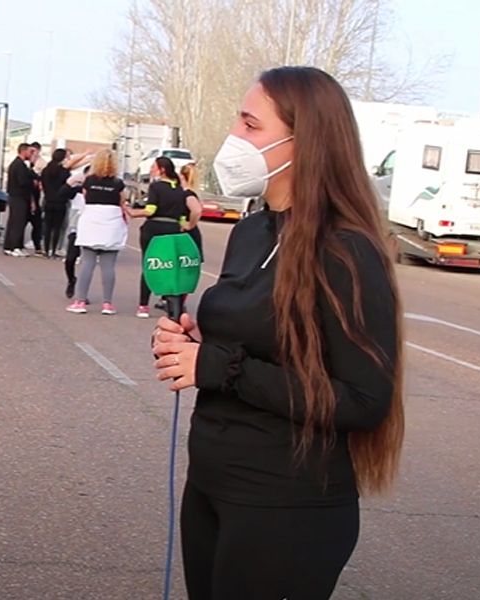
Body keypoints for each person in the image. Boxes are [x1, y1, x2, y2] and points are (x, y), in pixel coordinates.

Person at [150, 66, 405, 600]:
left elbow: (364, 401)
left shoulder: (347, 251)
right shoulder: (251, 230)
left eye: (250, 125)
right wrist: (195, 348)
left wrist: (219, 367)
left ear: (304, 140)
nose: (233, 138)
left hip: (285, 505)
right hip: (211, 484)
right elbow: (264, 344)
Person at [129, 156, 201, 318]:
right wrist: (187, 225)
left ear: (162, 170)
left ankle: (143, 306)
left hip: (154, 229)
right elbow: (182, 217)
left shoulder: (156, 186)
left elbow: (151, 210)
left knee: (149, 264)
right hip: (173, 229)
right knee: (170, 266)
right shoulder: (180, 190)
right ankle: (172, 305)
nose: (151, 170)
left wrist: (133, 213)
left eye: (154, 167)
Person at [66, 149, 129, 315]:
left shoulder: (89, 180)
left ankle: (80, 301)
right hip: (112, 223)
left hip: (92, 222)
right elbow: (122, 202)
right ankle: (107, 304)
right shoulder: (118, 183)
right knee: (108, 266)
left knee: (87, 263)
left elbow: (86, 197)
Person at [3, 142, 38, 256]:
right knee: (18, 222)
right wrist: (33, 183)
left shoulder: (20, 164)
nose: (31, 154)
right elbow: (23, 181)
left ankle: (9, 246)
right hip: (18, 197)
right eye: (30, 151)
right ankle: (15, 247)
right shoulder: (19, 165)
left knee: (14, 221)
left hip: (16, 196)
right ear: (24, 151)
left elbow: (33, 174)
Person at [61, 167, 88, 298]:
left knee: (87, 262)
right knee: (70, 259)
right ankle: (71, 279)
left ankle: (82, 293)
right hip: (76, 228)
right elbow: (61, 194)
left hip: (92, 229)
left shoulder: (99, 191)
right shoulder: (77, 190)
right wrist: (70, 182)